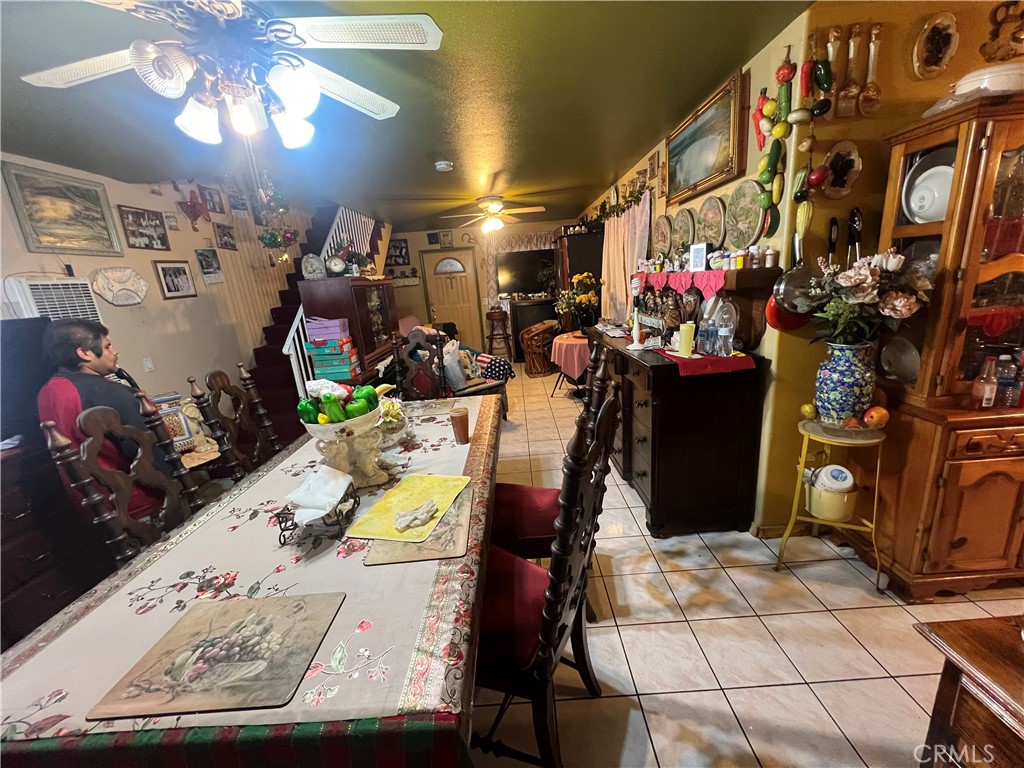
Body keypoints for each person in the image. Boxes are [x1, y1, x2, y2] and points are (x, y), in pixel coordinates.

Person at [37, 319, 172, 521]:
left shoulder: (47, 391)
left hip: (96, 507)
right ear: (84, 353)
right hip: (140, 504)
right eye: (107, 346)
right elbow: (151, 451)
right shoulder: (107, 392)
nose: (114, 351)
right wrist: (177, 484)